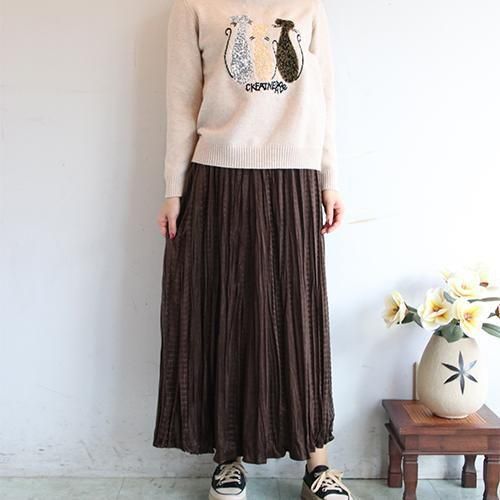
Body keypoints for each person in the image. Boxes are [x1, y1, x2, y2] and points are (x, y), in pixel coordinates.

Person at [153, 0, 352, 498]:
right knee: (227, 315)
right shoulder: (194, 7)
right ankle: (229, 458)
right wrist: (174, 188)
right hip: (218, 175)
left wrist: (330, 178)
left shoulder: (307, 7)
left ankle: (318, 465)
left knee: (299, 317)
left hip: (294, 177)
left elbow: (324, 99)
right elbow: (181, 102)